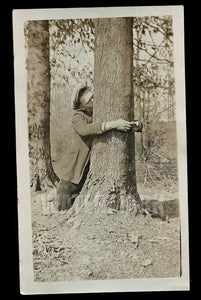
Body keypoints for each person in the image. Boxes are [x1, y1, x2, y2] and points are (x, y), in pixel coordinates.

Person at [55, 84, 142, 211]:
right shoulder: (78, 116)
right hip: (73, 168)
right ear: (81, 104)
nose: (94, 100)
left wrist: (135, 125)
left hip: (88, 168)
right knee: (63, 204)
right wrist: (112, 124)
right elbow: (84, 130)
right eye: (90, 99)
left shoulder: (98, 113)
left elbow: (117, 121)